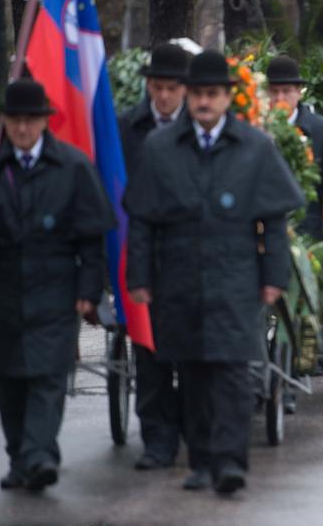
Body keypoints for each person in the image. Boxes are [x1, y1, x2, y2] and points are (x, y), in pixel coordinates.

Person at [125, 50, 305, 495]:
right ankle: (202, 462)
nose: (204, 103)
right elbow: (143, 220)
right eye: (198, 94)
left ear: (227, 97)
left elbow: (275, 221)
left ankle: (229, 462)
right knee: (192, 375)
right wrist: (140, 279)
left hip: (236, 281)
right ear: (188, 96)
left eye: (213, 94)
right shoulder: (160, 148)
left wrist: (273, 277)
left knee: (231, 374)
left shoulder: (255, 147)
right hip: (178, 282)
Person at [0, 79, 116, 492]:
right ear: (4, 122)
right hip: (3, 289)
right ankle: (21, 458)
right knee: (9, 382)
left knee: (47, 378)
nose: (22, 128)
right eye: (14, 120)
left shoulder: (71, 166)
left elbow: (93, 238)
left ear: (44, 121)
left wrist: (89, 291)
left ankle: (40, 455)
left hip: (56, 290)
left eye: (30, 120)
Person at [117, 43, 191, 471]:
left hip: (192, 257)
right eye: (157, 88)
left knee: (193, 357)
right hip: (142, 251)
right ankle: (157, 440)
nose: (163, 97)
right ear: (148, 86)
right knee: (149, 354)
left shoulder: (202, 124)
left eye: (171, 89)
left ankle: (185, 426)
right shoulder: (127, 127)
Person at [266, 55, 323, 377]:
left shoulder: (320, 130)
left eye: (286, 91)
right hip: (261, 230)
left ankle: (321, 342)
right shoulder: (256, 128)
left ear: (298, 93)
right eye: (273, 92)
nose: (279, 99)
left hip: (309, 232)